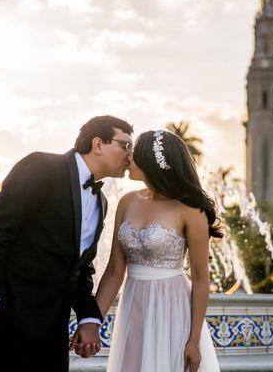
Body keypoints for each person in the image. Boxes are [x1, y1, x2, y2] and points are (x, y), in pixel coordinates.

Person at [0, 116, 134, 371]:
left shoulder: (102, 203)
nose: (130, 156)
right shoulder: (41, 167)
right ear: (98, 144)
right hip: (9, 316)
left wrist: (89, 317)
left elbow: (80, 267)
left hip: (54, 328)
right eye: (126, 145)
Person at [96, 130, 221, 372]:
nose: (129, 157)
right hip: (133, 307)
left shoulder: (191, 211)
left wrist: (193, 340)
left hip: (172, 308)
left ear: (152, 162)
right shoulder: (127, 202)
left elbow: (200, 279)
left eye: (135, 152)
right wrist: (93, 322)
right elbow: (114, 271)